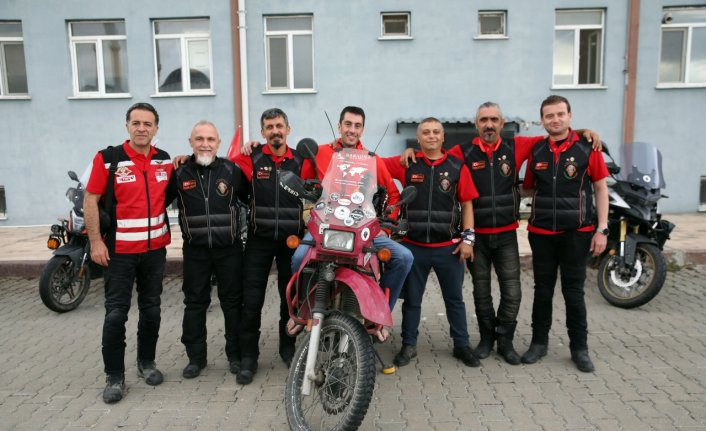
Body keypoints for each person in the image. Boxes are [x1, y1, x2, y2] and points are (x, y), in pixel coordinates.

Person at [400, 103, 601, 365]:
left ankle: (505, 341)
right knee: (481, 292)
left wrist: (584, 131)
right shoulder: (462, 152)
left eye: (494, 119)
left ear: (502, 122)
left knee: (512, 291)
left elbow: (555, 134)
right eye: (484, 120)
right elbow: (434, 154)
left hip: (507, 234)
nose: (489, 124)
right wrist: (410, 151)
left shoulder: (517, 146)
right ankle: (485, 340)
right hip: (478, 238)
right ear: (476, 124)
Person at [286, 106, 415, 338]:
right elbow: (305, 184)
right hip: (325, 226)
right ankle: (302, 310)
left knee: (404, 258)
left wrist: (385, 228)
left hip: (362, 228)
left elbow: (394, 195)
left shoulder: (372, 159)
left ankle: (379, 314)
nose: (352, 130)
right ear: (339, 126)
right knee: (298, 258)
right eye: (348, 124)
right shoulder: (321, 152)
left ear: (362, 129)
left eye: (357, 126)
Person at [84, 102, 173, 404]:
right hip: (119, 253)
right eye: (136, 123)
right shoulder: (108, 160)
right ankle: (114, 376)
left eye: (148, 124)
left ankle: (146, 363)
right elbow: (91, 200)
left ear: (156, 129)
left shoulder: (165, 161)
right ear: (127, 126)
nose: (142, 128)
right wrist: (96, 242)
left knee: (151, 311)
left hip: (154, 252)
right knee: (116, 315)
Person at [520, 95, 609, 373]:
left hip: (577, 233)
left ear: (570, 116)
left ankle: (579, 349)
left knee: (574, 292)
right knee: (542, 291)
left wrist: (602, 229)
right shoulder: (537, 151)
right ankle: (538, 343)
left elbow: (600, 189)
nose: (555, 119)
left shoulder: (588, 147)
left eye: (560, 114)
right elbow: (530, 188)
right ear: (542, 120)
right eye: (549, 116)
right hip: (541, 232)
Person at [381, 117, 480, 367]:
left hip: (449, 248)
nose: (432, 136)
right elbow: (373, 164)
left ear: (443, 137)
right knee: (412, 300)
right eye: (426, 132)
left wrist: (468, 239)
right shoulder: (407, 163)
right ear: (419, 137)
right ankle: (408, 345)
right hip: (413, 248)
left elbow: (467, 203)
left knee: (454, 300)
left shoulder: (458, 167)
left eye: (436, 132)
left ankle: (462, 345)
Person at [233, 108, 316, 385]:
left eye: (279, 126)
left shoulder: (302, 161)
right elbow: (223, 166)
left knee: (289, 297)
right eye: (269, 127)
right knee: (252, 300)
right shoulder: (252, 158)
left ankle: (287, 348)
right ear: (262, 132)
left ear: (288, 129)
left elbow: (321, 183)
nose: (275, 131)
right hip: (259, 240)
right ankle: (248, 358)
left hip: (291, 241)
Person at [171, 121, 247, 379]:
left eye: (210, 139)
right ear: (190, 142)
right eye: (199, 139)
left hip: (229, 250)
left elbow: (249, 199)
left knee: (233, 303)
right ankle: (196, 358)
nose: (205, 144)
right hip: (196, 251)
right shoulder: (179, 173)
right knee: (194, 304)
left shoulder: (232, 170)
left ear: (218, 143)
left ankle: (235, 355)